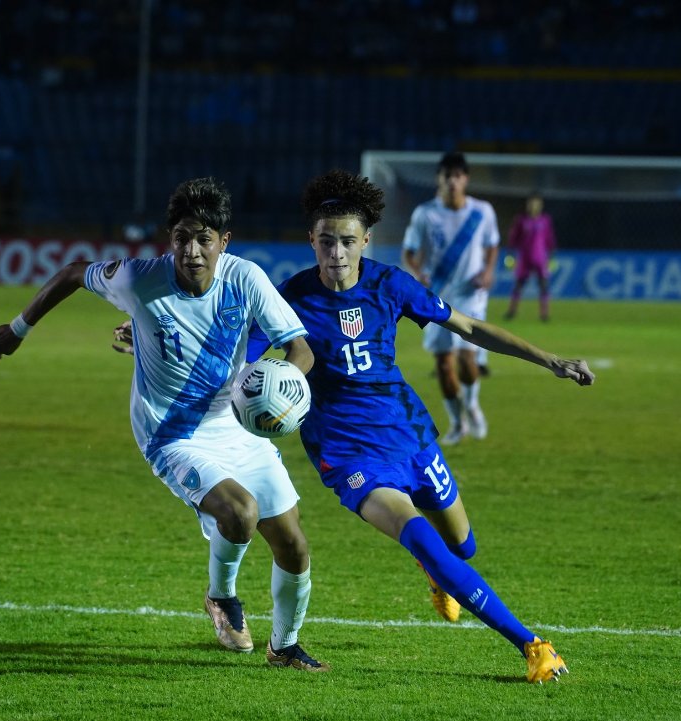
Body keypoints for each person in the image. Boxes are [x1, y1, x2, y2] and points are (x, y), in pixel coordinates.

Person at [249, 169, 594, 683]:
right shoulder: (288, 298)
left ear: (366, 240)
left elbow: (471, 327)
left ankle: (440, 576)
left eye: (347, 241)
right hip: (348, 455)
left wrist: (550, 360)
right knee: (423, 540)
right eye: (326, 242)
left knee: (461, 545)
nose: (337, 253)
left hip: (409, 434)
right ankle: (532, 645)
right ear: (311, 241)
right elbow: (237, 355)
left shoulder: (391, 284)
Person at [0, 177, 328, 672]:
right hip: (171, 433)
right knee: (241, 513)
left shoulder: (246, 279)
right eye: (182, 237)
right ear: (170, 239)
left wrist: (280, 389)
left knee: (293, 544)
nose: (192, 250)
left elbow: (300, 348)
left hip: (234, 426)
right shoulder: (138, 278)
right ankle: (221, 596)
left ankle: (285, 645)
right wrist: (17, 331)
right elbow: (70, 274)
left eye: (204, 238)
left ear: (223, 242)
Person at [402, 152, 499, 446]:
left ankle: (471, 405)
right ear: (439, 180)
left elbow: (492, 244)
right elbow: (409, 250)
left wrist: (488, 270)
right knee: (444, 364)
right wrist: (416, 273)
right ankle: (458, 423)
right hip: (436, 297)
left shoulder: (482, 212)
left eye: (458, 176)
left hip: (471, 296)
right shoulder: (425, 214)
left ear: (465, 179)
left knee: (468, 359)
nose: (452, 182)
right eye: (447, 176)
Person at [504, 192, 557, 322]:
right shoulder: (521, 220)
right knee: (518, 285)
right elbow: (513, 237)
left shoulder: (545, 220)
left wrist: (551, 254)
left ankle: (544, 314)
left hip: (540, 257)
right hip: (524, 257)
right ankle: (512, 311)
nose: (534, 206)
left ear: (541, 205)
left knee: (543, 285)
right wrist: (510, 252)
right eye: (532, 203)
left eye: (536, 203)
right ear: (528, 205)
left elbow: (549, 238)